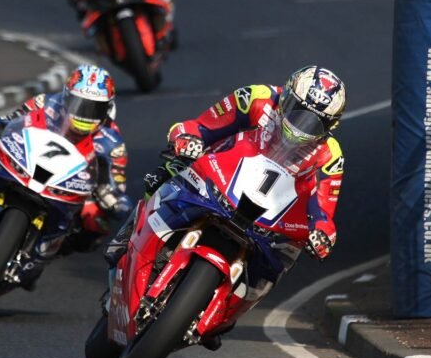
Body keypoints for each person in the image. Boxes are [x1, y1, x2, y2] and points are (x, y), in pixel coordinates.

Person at [104, 66, 347, 272]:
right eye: (296, 109)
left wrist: (322, 233)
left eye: (315, 122)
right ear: (287, 95)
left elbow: (323, 211)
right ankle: (131, 232)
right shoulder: (256, 97)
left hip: (269, 214)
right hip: (218, 175)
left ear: (331, 125)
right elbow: (202, 126)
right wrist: (187, 138)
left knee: (284, 256)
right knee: (173, 166)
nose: (300, 125)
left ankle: (231, 307)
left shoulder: (330, 154)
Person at [0, 64, 131, 249]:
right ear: (66, 96)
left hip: (71, 188)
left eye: (93, 108)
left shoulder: (111, 141)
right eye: (78, 104)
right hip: (26, 162)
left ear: (107, 109)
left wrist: (112, 200)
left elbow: (117, 182)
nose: (83, 114)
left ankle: (50, 249)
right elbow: (10, 120)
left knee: (96, 222)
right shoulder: (45, 104)